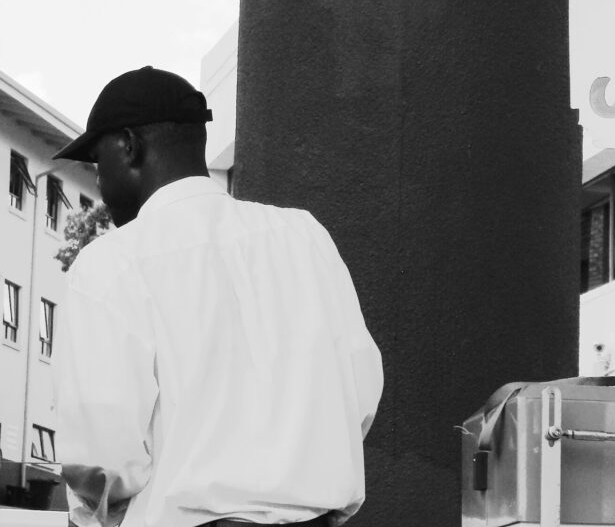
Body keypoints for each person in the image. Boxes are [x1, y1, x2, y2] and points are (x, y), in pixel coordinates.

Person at [51, 66, 384, 527]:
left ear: (128, 145)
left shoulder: (113, 262)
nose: (99, 182)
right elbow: (361, 391)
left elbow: (100, 452)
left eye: (97, 160)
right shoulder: (305, 237)